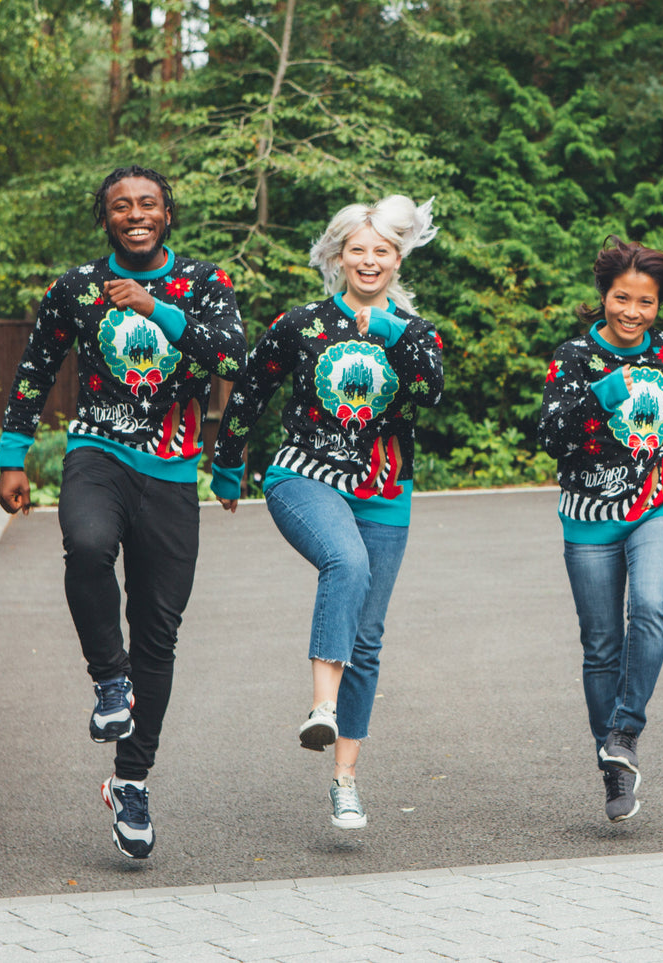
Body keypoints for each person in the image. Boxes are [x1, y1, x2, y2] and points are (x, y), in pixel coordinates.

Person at [0, 165, 246, 859]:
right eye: (120, 206)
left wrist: (153, 307)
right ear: (104, 217)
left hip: (173, 470)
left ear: (167, 214)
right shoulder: (76, 287)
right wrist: (12, 456)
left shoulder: (204, 282)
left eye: (148, 204)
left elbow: (233, 355)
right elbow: (35, 369)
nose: (135, 214)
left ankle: (130, 781)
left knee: (159, 634)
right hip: (98, 451)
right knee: (86, 543)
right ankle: (110, 680)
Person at [212, 195, 443, 830]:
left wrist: (390, 332)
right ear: (338, 257)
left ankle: (344, 780)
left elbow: (431, 391)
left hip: (385, 490)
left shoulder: (416, 332)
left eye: (382, 251)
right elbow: (250, 389)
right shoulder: (302, 324)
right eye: (357, 249)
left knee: (367, 641)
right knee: (346, 560)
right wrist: (228, 465)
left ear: (398, 260)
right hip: (304, 475)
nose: (369, 261)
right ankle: (322, 708)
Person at [537, 237, 663, 822]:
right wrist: (600, 397)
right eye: (622, 298)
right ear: (604, 296)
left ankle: (625, 731)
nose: (633, 311)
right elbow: (550, 435)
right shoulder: (575, 356)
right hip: (589, 517)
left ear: (659, 304)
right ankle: (613, 769)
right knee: (602, 646)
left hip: (658, 502)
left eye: (645, 302)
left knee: (651, 606)